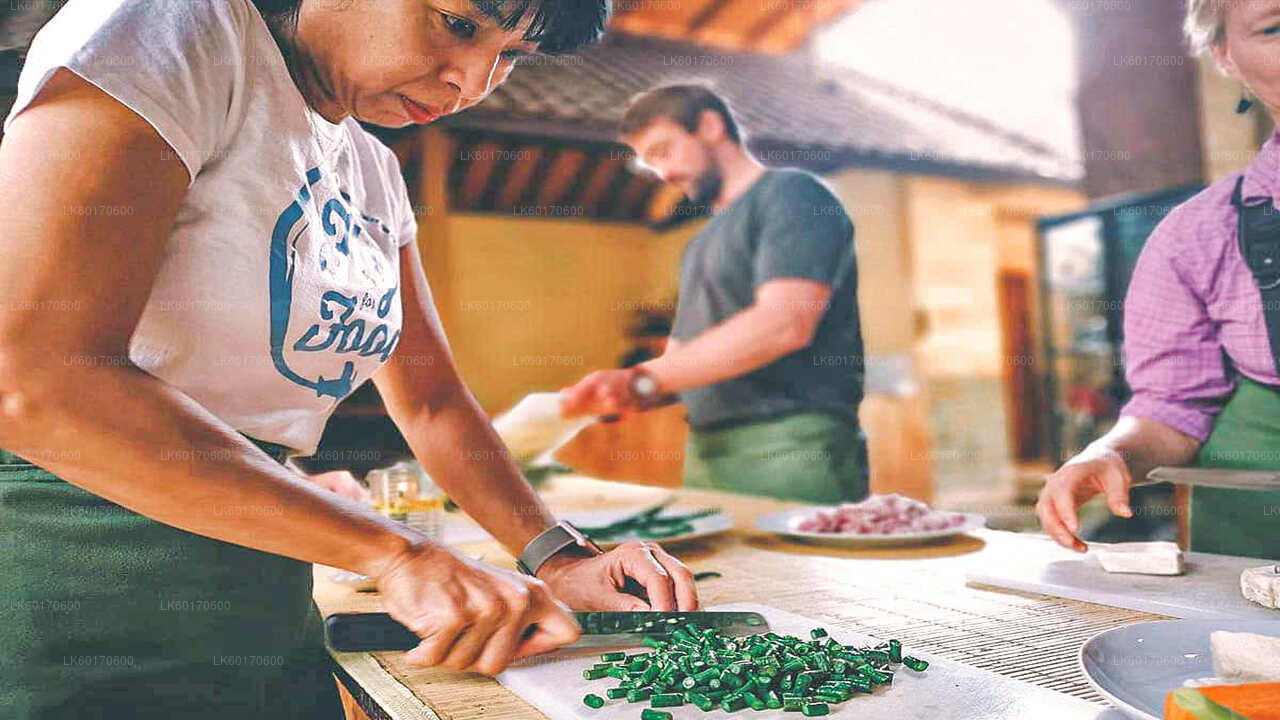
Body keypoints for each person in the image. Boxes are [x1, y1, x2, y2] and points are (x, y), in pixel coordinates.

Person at [0, 1, 698, 717]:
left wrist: (559, 556)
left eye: (511, 55)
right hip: (84, 583)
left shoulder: (373, 170)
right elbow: (35, 381)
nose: (472, 83)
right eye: (458, 24)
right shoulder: (174, 28)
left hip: (267, 587)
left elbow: (432, 403)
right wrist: (397, 552)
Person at [1036, 0, 1280, 560]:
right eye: (1274, 27)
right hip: (1259, 550)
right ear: (1226, 56)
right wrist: (1109, 455)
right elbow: (1172, 407)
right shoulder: (1198, 237)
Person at [561, 85, 869, 504]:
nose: (664, 174)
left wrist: (643, 379)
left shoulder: (793, 195)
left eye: (664, 150)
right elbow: (680, 362)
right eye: (651, 163)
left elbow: (784, 323)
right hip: (705, 454)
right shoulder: (700, 245)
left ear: (709, 126)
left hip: (792, 449)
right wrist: (620, 394)